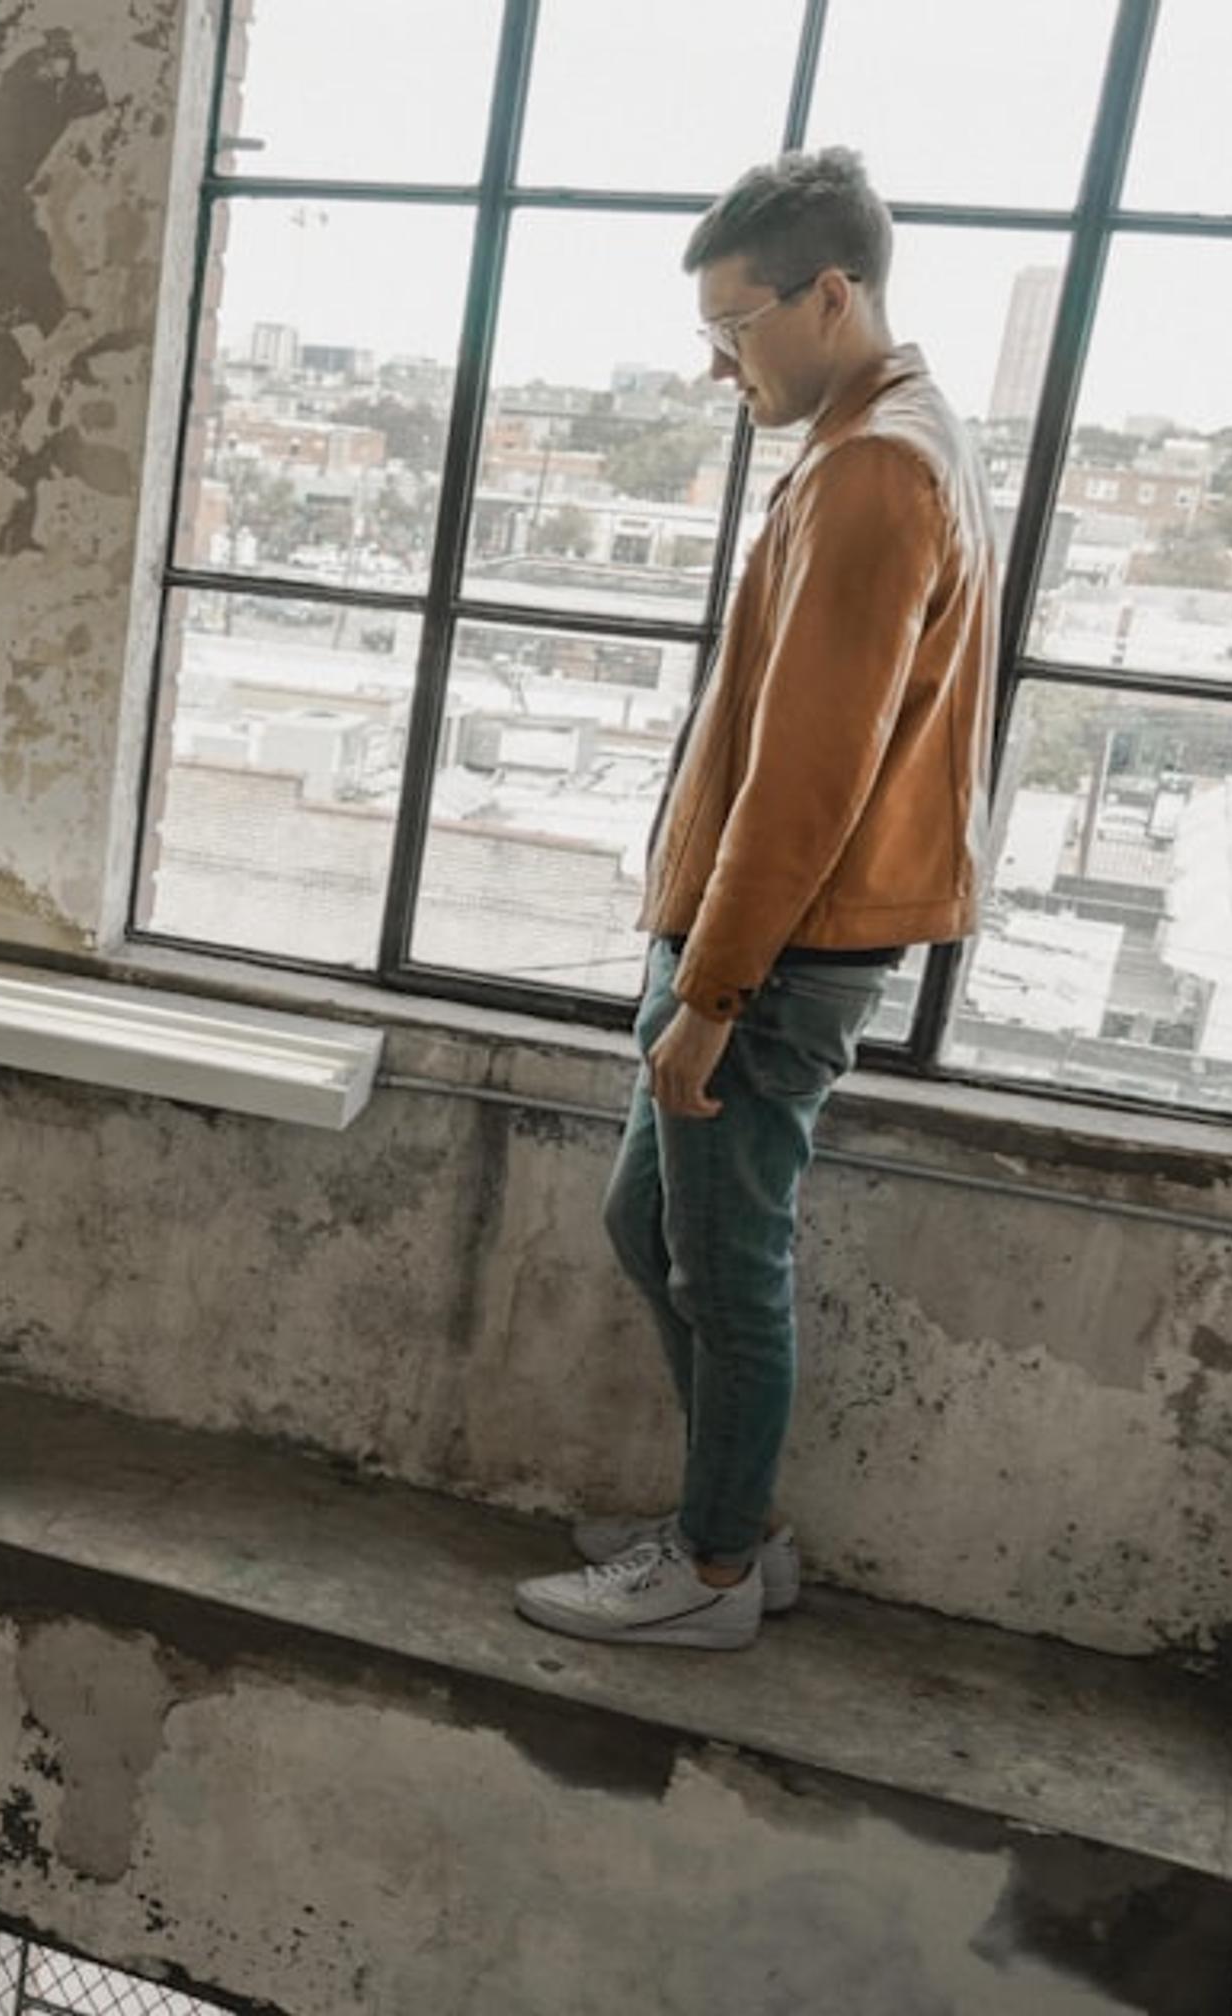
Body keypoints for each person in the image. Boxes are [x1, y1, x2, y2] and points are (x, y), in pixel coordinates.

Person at [512, 147, 997, 1652]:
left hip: (776, 954)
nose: (716, 365)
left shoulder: (874, 468)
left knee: (726, 1264)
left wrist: (712, 995)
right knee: (650, 1220)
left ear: (829, 294)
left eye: (734, 328)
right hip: (767, 940)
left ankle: (713, 1574)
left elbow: (807, 780)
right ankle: (730, 1523)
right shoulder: (883, 433)